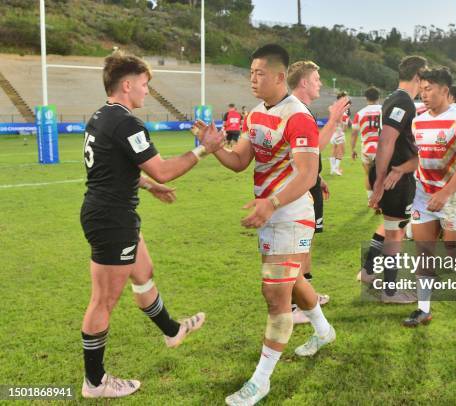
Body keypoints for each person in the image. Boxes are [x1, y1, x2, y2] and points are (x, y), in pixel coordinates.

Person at [195, 44, 335, 406]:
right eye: (250, 73)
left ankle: (261, 380)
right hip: (269, 212)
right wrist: (214, 148)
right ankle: (323, 330)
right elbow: (241, 160)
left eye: (259, 73)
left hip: (289, 213)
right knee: (291, 280)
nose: (252, 79)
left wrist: (271, 203)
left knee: (275, 296)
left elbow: (306, 175)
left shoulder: (298, 116)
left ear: (278, 76)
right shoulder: (255, 114)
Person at [79, 51, 206, 398]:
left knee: (143, 272)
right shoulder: (125, 123)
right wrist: (201, 151)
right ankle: (95, 382)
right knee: (103, 301)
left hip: (114, 214)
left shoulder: (101, 116)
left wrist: (150, 187)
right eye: (145, 85)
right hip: (111, 219)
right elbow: (162, 167)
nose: (147, 91)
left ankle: (172, 330)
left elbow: (114, 169)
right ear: (127, 84)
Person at [403, 67, 456, 327]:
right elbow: (420, 158)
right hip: (423, 195)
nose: (423, 94)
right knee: (424, 253)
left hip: (453, 195)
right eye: (421, 89)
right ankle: (423, 309)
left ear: (445, 90)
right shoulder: (417, 120)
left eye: (429, 89)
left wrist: (446, 192)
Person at [359, 56, 427, 305]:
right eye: (425, 78)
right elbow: (386, 140)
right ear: (418, 76)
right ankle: (390, 292)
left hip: (391, 173)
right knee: (396, 235)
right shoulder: (404, 101)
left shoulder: (392, 98)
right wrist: (379, 181)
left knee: (390, 228)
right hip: (395, 177)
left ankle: (368, 271)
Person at [287, 60, 350, 323]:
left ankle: (306, 294)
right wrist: (335, 118)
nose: (320, 83)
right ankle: (293, 306)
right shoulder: (295, 110)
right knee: (296, 245)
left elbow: (303, 154)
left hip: (308, 183)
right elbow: (312, 148)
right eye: (316, 79)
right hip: (297, 189)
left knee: (306, 241)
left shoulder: (300, 109)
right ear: (304, 82)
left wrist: (319, 176)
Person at [350, 86, 383, 202]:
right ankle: (380, 201)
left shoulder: (360, 114)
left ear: (366, 98)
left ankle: (371, 200)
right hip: (382, 149)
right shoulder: (385, 110)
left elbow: (354, 134)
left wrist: (352, 149)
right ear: (379, 97)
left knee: (368, 175)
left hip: (367, 149)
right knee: (383, 176)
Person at [329, 91, 351, 175]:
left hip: (333, 131)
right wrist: (344, 125)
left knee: (334, 149)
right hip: (339, 132)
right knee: (342, 151)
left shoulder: (334, 107)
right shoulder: (342, 109)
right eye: (345, 97)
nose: (347, 99)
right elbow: (344, 126)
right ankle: (336, 168)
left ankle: (332, 169)